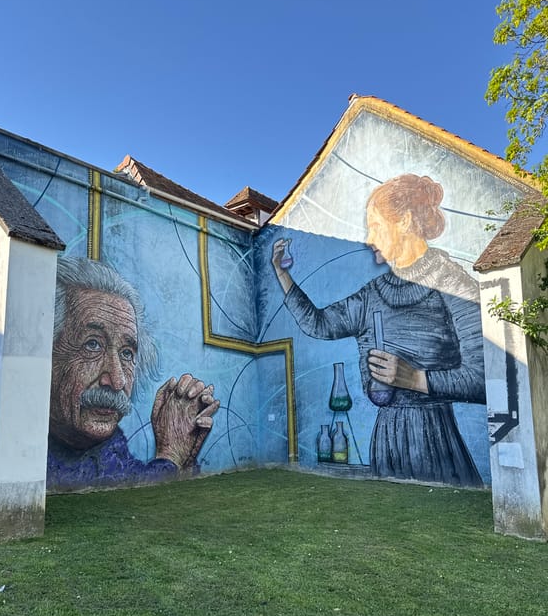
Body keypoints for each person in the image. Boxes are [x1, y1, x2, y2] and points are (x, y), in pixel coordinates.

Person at [272, 174, 486, 487]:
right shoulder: (372, 294)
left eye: (375, 226)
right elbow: (319, 324)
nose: (368, 238)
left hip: (436, 440)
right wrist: (282, 275)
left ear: (405, 221)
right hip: (386, 439)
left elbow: (484, 378)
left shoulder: (452, 284)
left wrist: (415, 379)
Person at [47, 256, 219, 492]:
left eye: (127, 353)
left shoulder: (111, 450)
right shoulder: (22, 454)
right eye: (92, 345)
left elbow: (134, 491)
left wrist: (183, 457)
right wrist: (169, 456)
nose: (117, 381)